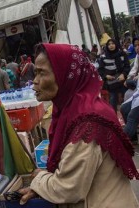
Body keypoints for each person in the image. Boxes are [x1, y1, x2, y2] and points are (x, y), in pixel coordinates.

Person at [18, 44, 139, 207]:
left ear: (65, 75)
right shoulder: (76, 108)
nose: (35, 82)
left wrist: (39, 179)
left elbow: (68, 189)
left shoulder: (86, 123)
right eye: (35, 73)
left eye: (41, 73)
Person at [98, 39, 130, 111]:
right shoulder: (103, 57)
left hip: (123, 81)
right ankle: (114, 119)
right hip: (111, 83)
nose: (111, 45)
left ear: (116, 44)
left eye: (112, 43)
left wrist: (123, 74)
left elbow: (127, 66)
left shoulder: (122, 54)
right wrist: (106, 76)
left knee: (128, 99)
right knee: (113, 101)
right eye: (109, 44)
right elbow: (100, 70)